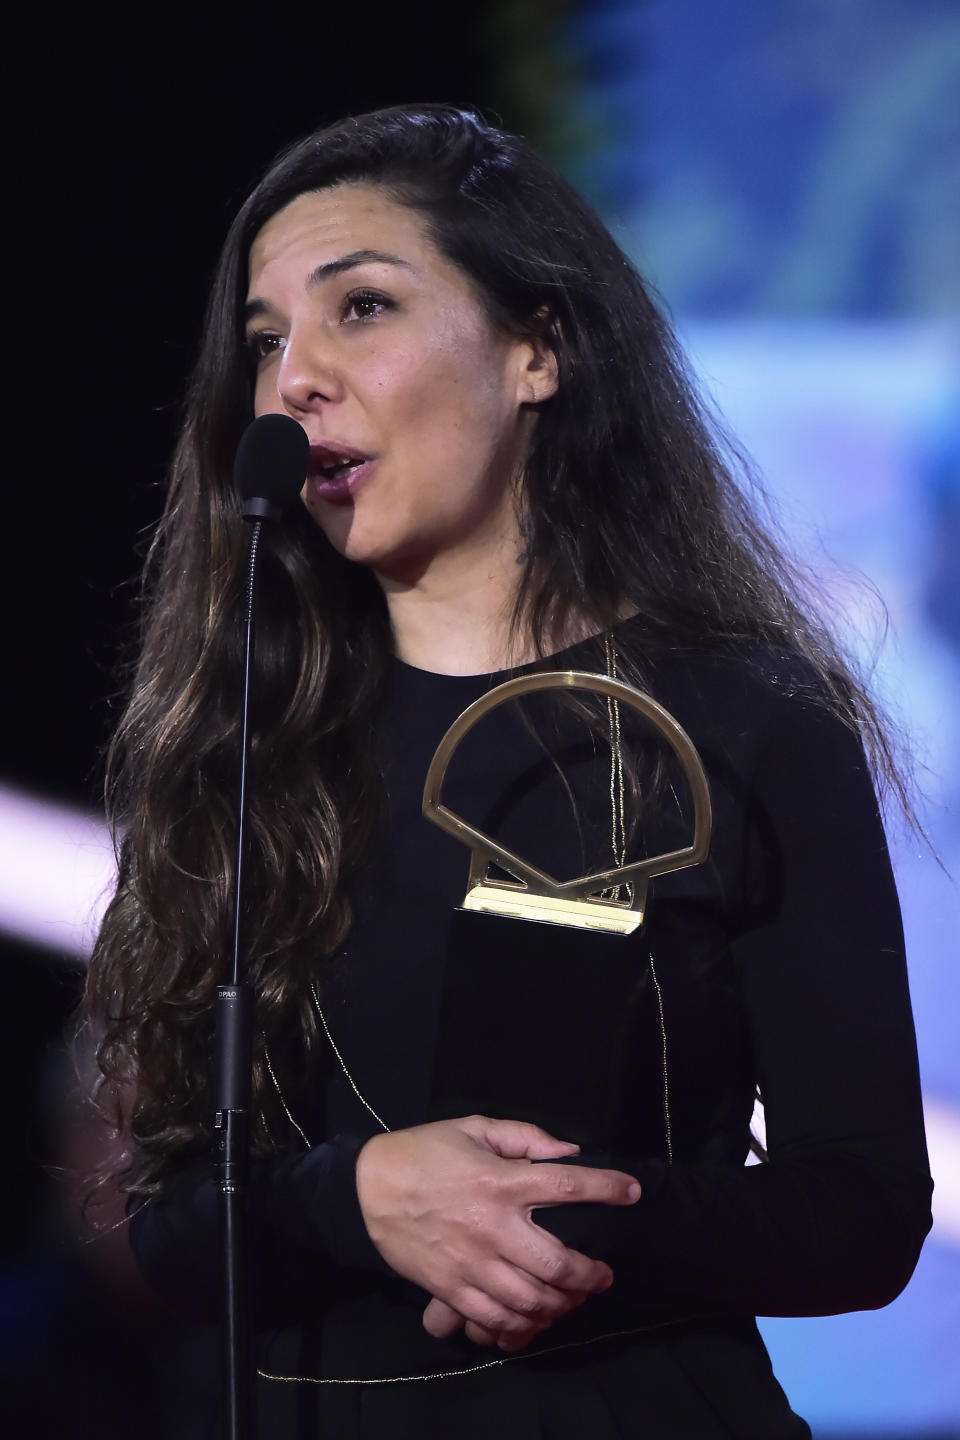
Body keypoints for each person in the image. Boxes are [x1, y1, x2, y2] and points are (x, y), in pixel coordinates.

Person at [84, 104, 933, 1438]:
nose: (293, 377)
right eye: (264, 343)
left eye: (359, 308)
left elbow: (863, 1218)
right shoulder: (240, 738)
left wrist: (546, 1222)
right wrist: (358, 1197)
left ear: (536, 350)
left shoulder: (752, 720)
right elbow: (170, 1225)